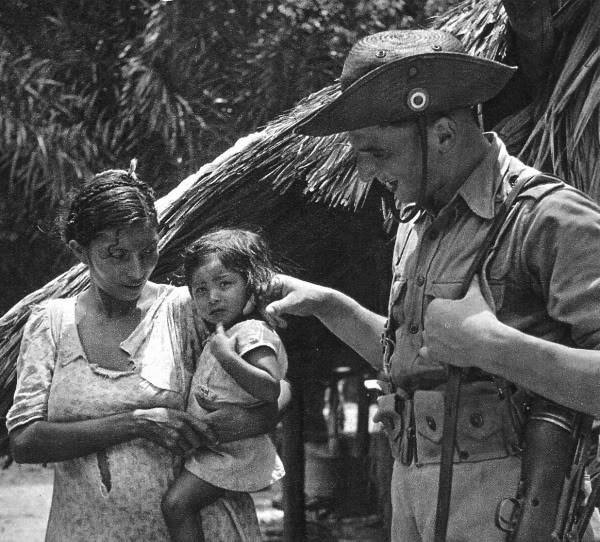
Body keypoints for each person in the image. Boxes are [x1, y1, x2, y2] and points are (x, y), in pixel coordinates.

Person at [261, 29, 600, 541]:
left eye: (377, 151)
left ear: (442, 134)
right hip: (414, 498)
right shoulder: (415, 224)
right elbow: (423, 355)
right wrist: (332, 307)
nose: (364, 171)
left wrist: (493, 346)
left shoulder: (547, 219)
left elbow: (470, 344)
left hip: (519, 505)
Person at [6, 162, 290, 542]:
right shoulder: (51, 324)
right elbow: (24, 441)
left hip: (205, 528)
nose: (136, 270)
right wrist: (135, 424)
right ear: (80, 252)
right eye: (117, 255)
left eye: (147, 252)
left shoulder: (189, 309)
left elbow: (278, 387)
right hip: (87, 530)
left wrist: (242, 420)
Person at [161, 228, 287, 542]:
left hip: (234, 452)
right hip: (220, 447)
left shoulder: (251, 332)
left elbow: (271, 387)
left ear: (252, 285)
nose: (212, 297)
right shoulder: (228, 332)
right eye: (200, 290)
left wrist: (225, 356)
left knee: (176, 505)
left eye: (225, 284)